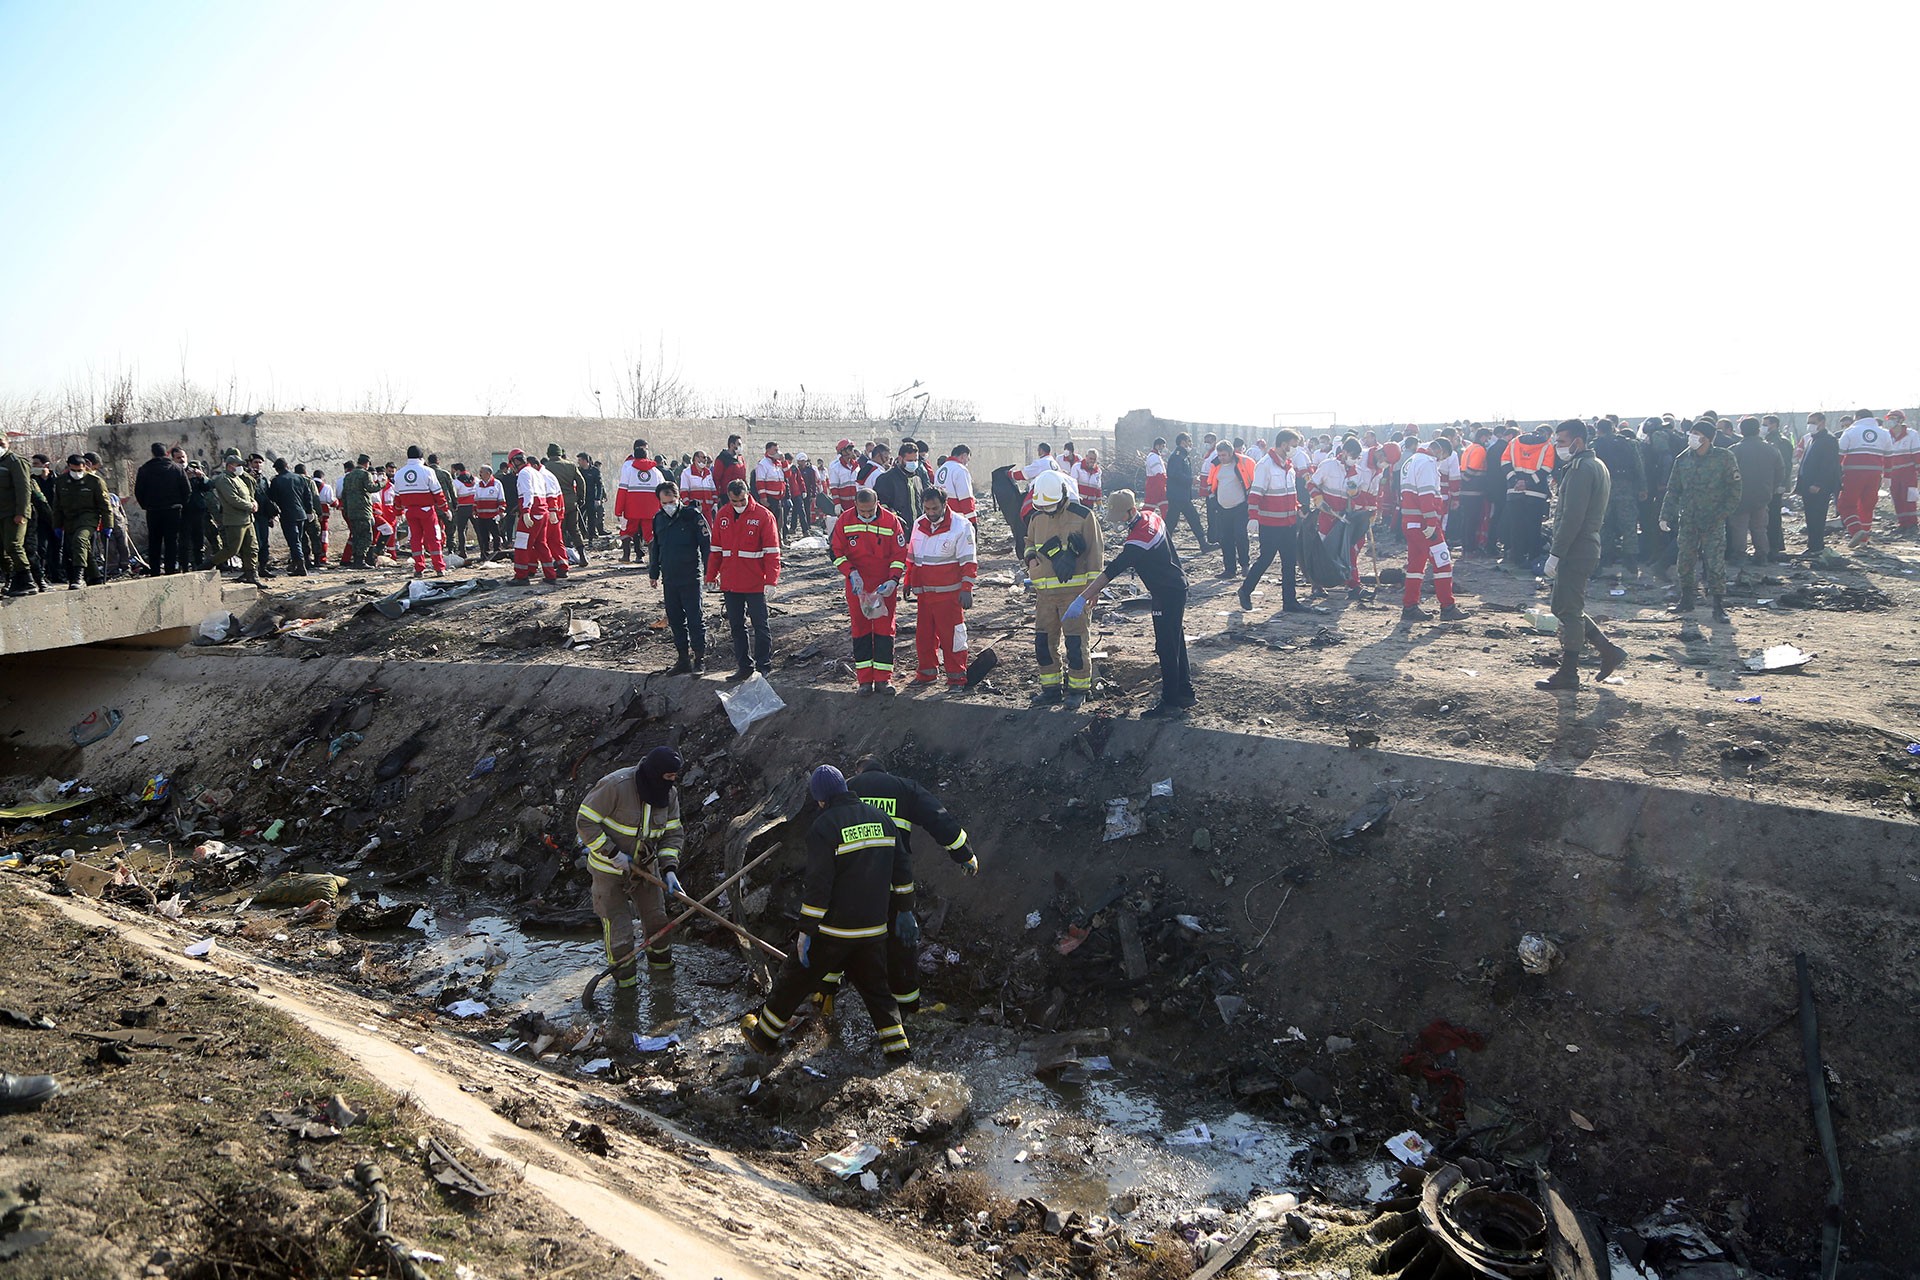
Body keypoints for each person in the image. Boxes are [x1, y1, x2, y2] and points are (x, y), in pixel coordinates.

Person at [740, 765, 912, 1067]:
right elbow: (902, 871)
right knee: (878, 991)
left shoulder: (825, 826)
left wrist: (806, 931)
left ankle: (763, 1037)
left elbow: (819, 886)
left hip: (835, 932)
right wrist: (905, 909)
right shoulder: (883, 820)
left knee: (792, 981)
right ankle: (898, 1050)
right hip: (873, 929)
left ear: (821, 799)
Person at [834, 756, 977, 1013]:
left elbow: (822, 830)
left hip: (849, 887)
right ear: (884, 769)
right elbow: (939, 819)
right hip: (891, 885)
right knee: (900, 946)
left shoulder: (845, 788)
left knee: (840, 940)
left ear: (859, 769)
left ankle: (825, 998)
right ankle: (908, 1010)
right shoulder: (903, 788)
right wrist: (964, 854)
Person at [1073, 490, 1193, 718]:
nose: (1119, 523)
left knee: (1166, 647)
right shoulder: (1152, 516)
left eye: (1121, 518)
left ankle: (1170, 704)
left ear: (1131, 510)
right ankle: (1185, 693)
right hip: (1177, 586)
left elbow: (1113, 569)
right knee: (1176, 641)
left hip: (1165, 592)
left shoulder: (1138, 539)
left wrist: (1084, 596)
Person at [576, 747, 688, 989]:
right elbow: (585, 821)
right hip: (608, 870)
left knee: (658, 922)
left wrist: (669, 868)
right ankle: (625, 991)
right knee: (620, 934)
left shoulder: (669, 795)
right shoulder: (615, 786)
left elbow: (673, 833)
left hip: (646, 870)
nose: (672, 782)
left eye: (674, 778)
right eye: (668, 777)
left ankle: (663, 980)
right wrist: (613, 853)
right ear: (655, 773)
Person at [1537, 421, 1627, 690]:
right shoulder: (1596, 465)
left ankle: (1569, 672)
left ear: (1577, 441)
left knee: (1569, 611)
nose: (1557, 446)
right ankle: (1607, 649)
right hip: (1584, 545)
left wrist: (1556, 553)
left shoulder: (1580, 469)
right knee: (1562, 607)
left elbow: (1572, 518)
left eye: (1562, 441)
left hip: (1576, 547)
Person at [1023, 470, 1103, 709]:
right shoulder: (1037, 518)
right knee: (1043, 643)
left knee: (1076, 644)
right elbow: (1029, 543)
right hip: (1045, 595)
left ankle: (1078, 690)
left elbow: (1096, 555)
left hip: (1074, 595)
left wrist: (1093, 590)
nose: (1047, 510)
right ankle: (1051, 689)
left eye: (1050, 506)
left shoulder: (1084, 516)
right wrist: (1031, 561)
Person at [830, 486, 909, 695]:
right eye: (862, 511)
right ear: (855, 505)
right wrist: (850, 572)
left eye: (870, 511)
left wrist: (893, 580)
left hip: (884, 586)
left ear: (877, 504)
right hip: (857, 587)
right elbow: (836, 551)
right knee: (861, 630)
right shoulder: (845, 521)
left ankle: (883, 679)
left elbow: (899, 554)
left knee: (884, 630)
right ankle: (864, 680)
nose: (866, 515)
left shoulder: (891, 521)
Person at [1662, 420, 1743, 622]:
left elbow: (1735, 489)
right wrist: (1665, 514)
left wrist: (1724, 513)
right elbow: (1673, 490)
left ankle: (1718, 606)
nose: (1691, 436)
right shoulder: (1683, 459)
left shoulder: (1724, 458)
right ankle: (1687, 600)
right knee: (1685, 562)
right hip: (1688, 520)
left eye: (1696, 433)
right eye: (1691, 433)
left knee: (1715, 563)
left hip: (1713, 520)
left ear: (1707, 437)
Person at [707, 478, 781, 680]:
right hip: (731, 583)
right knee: (736, 626)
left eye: (742, 500)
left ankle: (763, 665)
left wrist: (771, 581)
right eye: (734, 501)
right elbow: (716, 550)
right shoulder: (722, 515)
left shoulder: (763, 516)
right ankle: (744, 667)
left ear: (748, 494)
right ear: (728, 498)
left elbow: (772, 552)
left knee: (760, 625)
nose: (739, 505)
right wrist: (711, 576)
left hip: (755, 582)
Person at [904, 487, 977, 689]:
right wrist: (908, 580)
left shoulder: (961, 527)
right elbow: (912, 556)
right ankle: (927, 673)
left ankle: (956, 677)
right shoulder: (919, 524)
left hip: (949, 595)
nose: (931, 512)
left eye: (935, 508)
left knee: (952, 636)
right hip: (925, 594)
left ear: (945, 504)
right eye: (927, 508)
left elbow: (968, 560)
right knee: (924, 637)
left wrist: (966, 587)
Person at [1399, 437, 1470, 623]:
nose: (1441, 461)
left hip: (1410, 522)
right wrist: (1431, 523)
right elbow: (1426, 496)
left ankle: (1410, 606)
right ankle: (1447, 606)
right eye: (1443, 456)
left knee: (1416, 565)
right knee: (1443, 561)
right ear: (1440, 451)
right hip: (1424, 524)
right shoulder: (1428, 463)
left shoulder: (1412, 460)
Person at [1239, 431, 1307, 614]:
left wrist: (1298, 507)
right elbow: (1256, 493)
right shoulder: (1265, 465)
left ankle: (1290, 601)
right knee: (1266, 558)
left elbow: (1290, 494)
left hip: (1289, 522)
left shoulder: (1288, 467)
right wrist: (1253, 516)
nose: (1295, 449)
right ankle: (1245, 590)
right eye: (1293, 445)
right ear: (1283, 444)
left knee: (1289, 561)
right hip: (1270, 523)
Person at [649, 480, 711, 674]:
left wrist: (710, 570)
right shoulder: (658, 518)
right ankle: (682, 659)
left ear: (678, 498)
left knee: (695, 619)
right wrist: (653, 573)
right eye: (664, 502)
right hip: (669, 577)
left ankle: (699, 659)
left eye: (671, 501)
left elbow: (706, 544)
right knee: (675, 620)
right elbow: (655, 547)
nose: (668, 506)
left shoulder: (691, 516)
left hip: (690, 575)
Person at [1727, 417, 1785, 578]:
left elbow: (1727, 473)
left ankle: (1739, 556)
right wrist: (1771, 488)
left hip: (1740, 495)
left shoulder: (1735, 450)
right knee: (1759, 527)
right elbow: (1780, 471)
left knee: (1739, 527)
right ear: (1758, 430)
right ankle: (1762, 556)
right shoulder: (1771, 449)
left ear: (1741, 431)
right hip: (1763, 494)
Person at [1590, 419, 1646, 578]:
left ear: (1598, 429)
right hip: (1626, 487)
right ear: (1613, 428)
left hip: (1603, 487)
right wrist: (1643, 487)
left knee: (1602, 524)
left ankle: (1602, 559)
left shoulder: (1595, 444)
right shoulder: (1629, 443)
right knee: (1629, 524)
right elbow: (1639, 466)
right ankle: (1631, 561)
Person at [1500, 422, 1555, 573]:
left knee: (1516, 526)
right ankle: (1534, 558)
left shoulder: (1514, 442)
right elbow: (1547, 468)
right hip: (1536, 493)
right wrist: (1529, 482)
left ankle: (1517, 558)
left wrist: (1515, 481)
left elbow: (1504, 462)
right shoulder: (1547, 446)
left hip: (1514, 491)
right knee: (1533, 527)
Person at [392, 446, 451, 578]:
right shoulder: (428, 471)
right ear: (421, 457)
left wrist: (398, 513)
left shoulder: (399, 473)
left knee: (415, 540)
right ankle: (439, 568)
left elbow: (397, 497)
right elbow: (438, 493)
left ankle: (419, 568)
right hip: (427, 511)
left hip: (410, 512)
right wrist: (445, 509)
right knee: (434, 538)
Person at [51, 453, 108, 589]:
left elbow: (105, 505)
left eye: (80, 470)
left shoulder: (94, 481)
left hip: (89, 517)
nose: (77, 473)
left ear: (85, 467)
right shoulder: (61, 481)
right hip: (70, 519)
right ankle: (95, 577)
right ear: (69, 467)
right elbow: (57, 505)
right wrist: (57, 525)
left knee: (80, 540)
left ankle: (79, 577)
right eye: (74, 470)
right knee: (81, 549)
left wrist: (108, 525)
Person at [133, 442, 191, 575]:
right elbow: (187, 490)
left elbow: (138, 491)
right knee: (171, 541)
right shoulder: (176, 468)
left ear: (153, 453)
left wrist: (146, 505)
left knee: (154, 542)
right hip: (173, 511)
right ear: (166, 453)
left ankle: (155, 571)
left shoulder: (145, 469)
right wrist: (180, 504)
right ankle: (170, 570)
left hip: (153, 511)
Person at [1836, 410, 1889, 549]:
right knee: (1867, 506)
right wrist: (1887, 476)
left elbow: (1839, 454)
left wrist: (1835, 473)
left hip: (1853, 473)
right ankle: (1864, 540)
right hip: (1875, 474)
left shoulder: (1850, 431)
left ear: (1857, 418)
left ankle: (1856, 531)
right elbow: (1889, 457)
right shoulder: (1884, 433)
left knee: (1846, 505)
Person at [513, 452, 566, 585]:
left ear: (515, 462)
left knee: (522, 545)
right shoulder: (536, 473)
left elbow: (528, 492)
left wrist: (525, 512)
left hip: (532, 512)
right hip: (543, 512)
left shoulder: (524, 473)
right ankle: (550, 574)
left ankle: (521, 576)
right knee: (541, 544)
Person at [211, 450, 261, 585]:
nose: (240, 467)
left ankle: (251, 574)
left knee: (252, 548)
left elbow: (247, 494)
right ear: (230, 466)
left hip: (247, 519)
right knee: (232, 549)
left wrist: (253, 502)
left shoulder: (237, 478)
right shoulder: (223, 479)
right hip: (235, 520)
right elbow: (233, 499)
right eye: (237, 464)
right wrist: (250, 506)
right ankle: (207, 564)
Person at [1795, 413, 1842, 555]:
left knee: (1817, 517)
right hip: (1807, 486)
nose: (1810, 425)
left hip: (1818, 487)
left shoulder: (1828, 440)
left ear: (1822, 422)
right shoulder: (1812, 439)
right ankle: (1813, 545)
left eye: (1813, 422)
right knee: (1810, 516)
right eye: (1809, 422)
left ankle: (1817, 546)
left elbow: (1828, 465)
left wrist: (1818, 483)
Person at [1207, 440, 1254, 578]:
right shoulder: (1216, 466)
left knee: (1240, 536)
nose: (1221, 458)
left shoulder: (1242, 464)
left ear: (1231, 453)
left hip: (1240, 507)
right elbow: (1211, 483)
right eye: (1219, 455)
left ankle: (1245, 565)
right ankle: (1230, 569)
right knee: (1225, 539)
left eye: (1224, 455)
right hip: (1222, 508)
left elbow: (1252, 481)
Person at [615, 439, 665, 566]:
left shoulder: (629, 469)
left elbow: (622, 491)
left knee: (626, 531)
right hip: (651, 509)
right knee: (650, 534)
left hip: (632, 509)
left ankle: (626, 556)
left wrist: (618, 510)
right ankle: (653, 560)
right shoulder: (656, 471)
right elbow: (663, 490)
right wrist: (662, 507)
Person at [267, 459, 314, 577]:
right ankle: (295, 564)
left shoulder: (277, 481)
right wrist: (309, 511)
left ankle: (300, 566)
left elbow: (272, 498)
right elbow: (308, 496)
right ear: (287, 466)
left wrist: (273, 514)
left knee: (294, 541)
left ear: (277, 469)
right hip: (301, 514)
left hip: (287, 515)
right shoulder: (300, 478)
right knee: (298, 539)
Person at [0, 436, 32, 597]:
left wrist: (22, 513)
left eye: (0, 442)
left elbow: (24, 489)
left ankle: (27, 580)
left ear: (7, 442)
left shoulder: (15, 461)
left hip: (13, 513)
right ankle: (12, 579)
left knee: (13, 545)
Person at [545, 444, 587, 565]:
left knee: (559, 532)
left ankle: (561, 560)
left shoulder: (546, 467)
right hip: (571, 502)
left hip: (556, 504)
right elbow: (581, 482)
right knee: (575, 530)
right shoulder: (571, 465)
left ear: (549, 454)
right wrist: (580, 498)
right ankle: (582, 556)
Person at [1762, 417, 1795, 560]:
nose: (1762, 427)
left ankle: (1774, 547)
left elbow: (1785, 465)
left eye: (1765, 424)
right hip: (1768, 485)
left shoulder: (1781, 442)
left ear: (1774, 425)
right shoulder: (1767, 440)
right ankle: (1774, 544)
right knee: (1769, 516)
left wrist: (1781, 484)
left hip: (1775, 486)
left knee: (1773, 516)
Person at [873, 441, 926, 525]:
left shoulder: (917, 479)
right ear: (900, 459)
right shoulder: (886, 479)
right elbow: (880, 505)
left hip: (916, 528)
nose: (913, 463)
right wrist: (894, 517)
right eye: (910, 460)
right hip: (896, 528)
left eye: (916, 460)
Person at [339, 456, 378, 568]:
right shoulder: (365, 474)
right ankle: (360, 560)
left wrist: (346, 510)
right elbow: (371, 488)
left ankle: (356, 559)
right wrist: (382, 483)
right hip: (364, 510)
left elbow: (344, 495)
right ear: (367, 463)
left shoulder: (348, 476)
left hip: (351, 511)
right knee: (366, 536)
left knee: (356, 536)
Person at [1886, 410, 1918, 539]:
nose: (1890, 421)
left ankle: (1912, 524)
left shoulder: (1911, 434)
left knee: (1909, 497)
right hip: (1893, 473)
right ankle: (1902, 523)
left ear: (1900, 420)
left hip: (1908, 472)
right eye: (1889, 419)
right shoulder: (1886, 435)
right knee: (1896, 497)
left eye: (1893, 418)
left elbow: (1917, 455)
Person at [752, 441, 789, 541]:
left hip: (779, 498)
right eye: (775, 450)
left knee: (779, 522)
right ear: (768, 450)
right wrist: (763, 498)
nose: (778, 452)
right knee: (768, 522)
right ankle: (768, 541)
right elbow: (760, 482)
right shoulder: (763, 464)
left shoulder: (779, 463)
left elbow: (788, 475)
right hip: (769, 498)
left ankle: (778, 541)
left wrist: (784, 461)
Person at [934, 443, 976, 523]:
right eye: (968, 459)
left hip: (942, 516)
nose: (967, 462)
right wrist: (972, 520)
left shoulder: (940, 470)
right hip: (958, 519)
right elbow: (965, 497)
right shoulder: (960, 470)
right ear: (964, 456)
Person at [471, 465, 505, 559]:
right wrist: (474, 511)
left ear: (488, 473)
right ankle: (484, 554)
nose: (480, 474)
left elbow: (501, 499)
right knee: (483, 536)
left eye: (482, 472)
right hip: (481, 515)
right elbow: (475, 499)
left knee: (496, 535)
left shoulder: (497, 484)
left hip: (493, 515)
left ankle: (497, 553)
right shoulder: (478, 485)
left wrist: (500, 512)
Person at [680, 450, 719, 524]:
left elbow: (713, 489)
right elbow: (684, 492)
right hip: (694, 511)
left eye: (706, 458)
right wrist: (689, 507)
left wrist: (715, 504)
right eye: (703, 457)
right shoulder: (687, 473)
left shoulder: (708, 473)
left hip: (708, 510)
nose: (705, 460)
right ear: (696, 458)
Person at [827, 439, 863, 514]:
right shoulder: (836, 467)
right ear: (843, 451)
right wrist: (837, 504)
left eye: (852, 449)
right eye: (849, 449)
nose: (852, 451)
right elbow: (834, 488)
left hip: (857, 503)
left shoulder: (857, 466)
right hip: (844, 505)